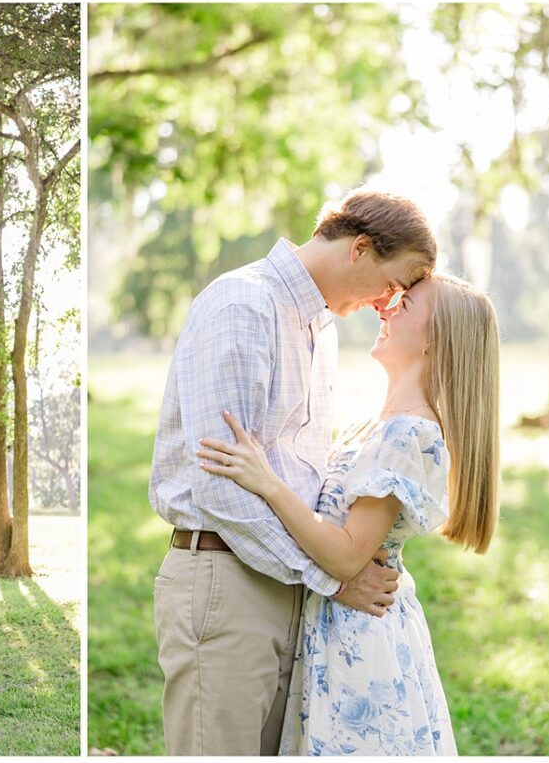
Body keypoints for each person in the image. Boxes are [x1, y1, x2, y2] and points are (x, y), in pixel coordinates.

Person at [149, 190, 438, 755]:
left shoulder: (319, 329)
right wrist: (331, 576)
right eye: (393, 283)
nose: (388, 303)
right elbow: (220, 488)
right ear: (360, 248)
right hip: (225, 577)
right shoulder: (243, 305)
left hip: (287, 587)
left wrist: (326, 573)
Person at [197, 273, 499, 754]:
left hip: (362, 638)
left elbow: (346, 557)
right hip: (339, 625)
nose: (385, 309)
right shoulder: (377, 424)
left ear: (434, 340)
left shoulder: (409, 434)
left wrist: (266, 481)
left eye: (405, 305)